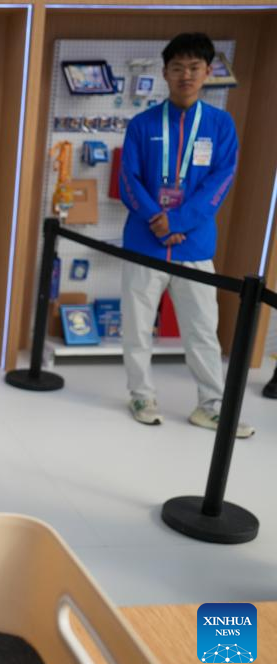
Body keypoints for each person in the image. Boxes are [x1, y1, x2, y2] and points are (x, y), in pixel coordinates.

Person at [118, 32, 254, 438]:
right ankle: (141, 395)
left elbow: (220, 182)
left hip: (194, 244)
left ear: (208, 72)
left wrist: (176, 223)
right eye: (177, 67)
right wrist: (157, 219)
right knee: (137, 327)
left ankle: (211, 406)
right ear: (165, 73)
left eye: (194, 67)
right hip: (144, 243)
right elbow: (129, 181)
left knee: (203, 330)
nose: (186, 75)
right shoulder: (142, 124)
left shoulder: (220, 125)